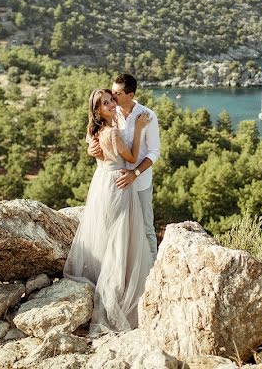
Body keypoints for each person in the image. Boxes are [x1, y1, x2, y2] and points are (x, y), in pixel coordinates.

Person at [63, 88, 153, 335]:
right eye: (105, 103)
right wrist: (137, 130)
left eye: (111, 99)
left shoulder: (93, 131)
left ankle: (105, 283)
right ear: (98, 110)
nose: (112, 104)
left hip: (101, 182)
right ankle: (118, 297)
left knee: (108, 235)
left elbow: (92, 147)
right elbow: (133, 156)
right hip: (118, 183)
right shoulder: (112, 132)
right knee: (120, 239)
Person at [88, 73, 160, 258]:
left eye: (117, 94)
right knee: (118, 229)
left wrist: (134, 173)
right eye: (112, 93)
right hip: (117, 185)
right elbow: (93, 134)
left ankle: (151, 270)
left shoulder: (147, 116)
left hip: (140, 181)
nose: (113, 97)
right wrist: (91, 150)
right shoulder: (112, 112)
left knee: (145, 227)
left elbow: (154, 152)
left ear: (130, 95)